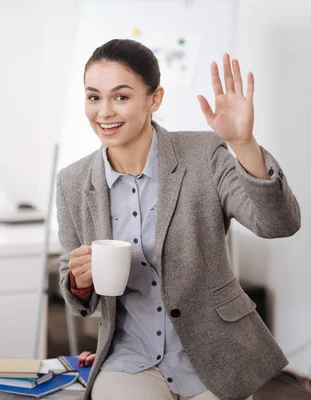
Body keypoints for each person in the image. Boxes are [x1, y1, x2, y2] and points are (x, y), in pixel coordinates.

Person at [56, 38, 301, 400]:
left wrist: (244, 143)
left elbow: (277, 224)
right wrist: (78, 280)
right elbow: (79, 298)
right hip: (130, 358)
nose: (104, 111)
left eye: (120, 97)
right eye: (94, 97)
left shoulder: (203, 154)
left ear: (154, 99)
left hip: (215, 355)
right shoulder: (73, 182)